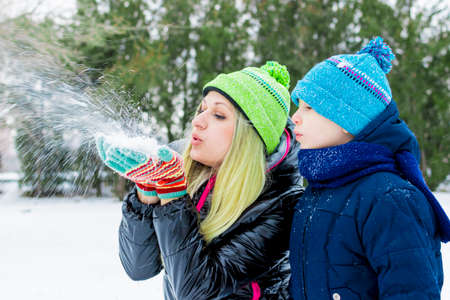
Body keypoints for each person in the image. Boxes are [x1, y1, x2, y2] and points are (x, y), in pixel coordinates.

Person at [96, 61, 304, 299]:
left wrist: (173, 195)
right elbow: (139, 268)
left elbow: (196, 290)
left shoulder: (282, 205)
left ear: (250, 135)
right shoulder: (187, 170)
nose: (198, 121)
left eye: (218, 115)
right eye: (201, 110)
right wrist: (147, 192)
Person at [288, 37, 450, 299]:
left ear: (346, 119)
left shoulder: (390, 199)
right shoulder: (316, 192)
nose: (296, 116)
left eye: (309, 107)